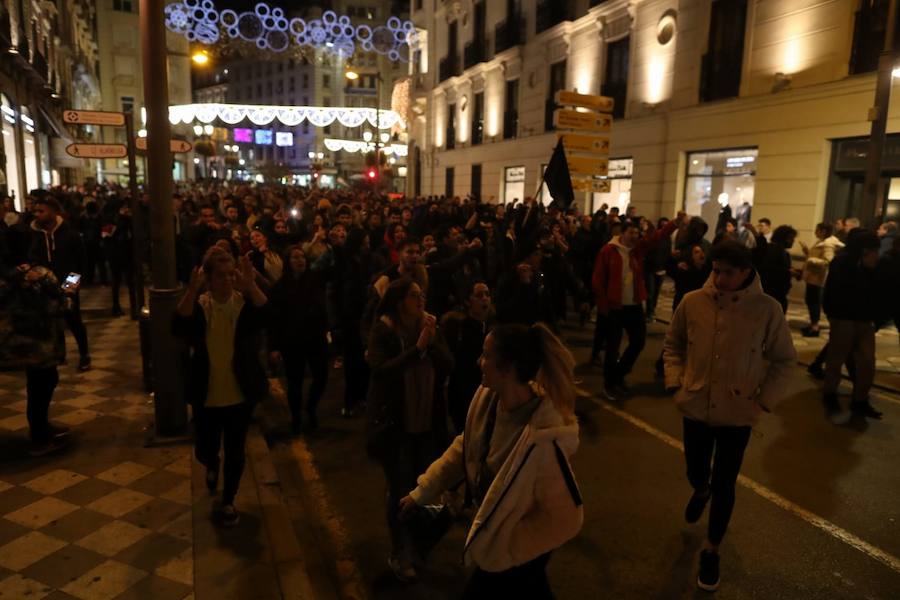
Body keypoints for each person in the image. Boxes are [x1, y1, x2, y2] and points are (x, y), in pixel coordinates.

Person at [397, 323, 583, 598]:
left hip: (513, 554)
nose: (478, 361)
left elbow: (567, 518)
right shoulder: (486, 399)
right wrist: (423, 491)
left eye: (486, 355)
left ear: (507, 369)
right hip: (499, 549)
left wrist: (509, 545)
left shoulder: (544, 440)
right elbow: (465, 446)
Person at [663, 240, 796, 592]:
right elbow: (673, 344)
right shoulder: (693, 302)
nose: (719, 279)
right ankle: (700, 488)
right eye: (716, 271)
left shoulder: (767, 309)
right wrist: (677, 382)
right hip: (695, 405)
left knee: (726, 482)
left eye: (728, 273)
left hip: (739, 411)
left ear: (746, 273)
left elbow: (784, 360)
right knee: (696, 470)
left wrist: (763, 402)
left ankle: (712, 549)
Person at [365, 279, 453, 582]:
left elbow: (448, 363)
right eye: (413, 295)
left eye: (422, 295)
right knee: (399, 489)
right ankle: (400, 550)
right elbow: (380, 371)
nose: (420, 300)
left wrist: (431, 341)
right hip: (396, 423)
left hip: (426, 421)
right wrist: (417, 349)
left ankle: (417, 543)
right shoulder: (385, 329)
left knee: (423, 487)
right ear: (399, 300)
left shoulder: (428, 325)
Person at [173, 247, 269, 527]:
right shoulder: (202, 305)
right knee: (205, 447)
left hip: (239, 393)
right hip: (207, 392)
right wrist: (192, 290)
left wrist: (250, 284)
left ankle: (228, 499)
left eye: (231, 274)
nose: (227, 280)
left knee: (236, 450)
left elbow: (268, 313)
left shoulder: (243, 304)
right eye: (220, 275)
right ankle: (212, 463)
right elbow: (178, 326)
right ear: (209, 278)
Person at [593, 216, 679, 399]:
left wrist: (674, 224)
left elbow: (656, 237)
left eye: (636, 233)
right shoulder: (608, 251)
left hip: (634, 305)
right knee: (612, 347)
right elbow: (598, 280)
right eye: (631, 233)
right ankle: (610, 384)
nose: (634, 236)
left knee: (638, 341)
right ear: (622, 233)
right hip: (614, 306)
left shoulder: (637, 250)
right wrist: (603, 306)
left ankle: (619, 375)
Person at [0, 263, 69, 456]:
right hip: (39, 338)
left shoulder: (9, 274)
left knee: (40, 381)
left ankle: (41, 428)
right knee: (43, 382)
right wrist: (69, 292)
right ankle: (39, 436)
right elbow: (63, 303)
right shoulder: (39, 274)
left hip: (20, 339)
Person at [821, 230, 884, 420]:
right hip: (844, 319)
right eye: (873, 249)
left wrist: (870, 270)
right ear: (863, 248)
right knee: (835, 360)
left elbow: (876, 291)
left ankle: (860, 400)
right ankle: (830, 394)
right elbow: (833, 290)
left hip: (865, 321)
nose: (876, 253)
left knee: (867, 363)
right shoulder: (842, 262)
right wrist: (833, 316)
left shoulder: (871, 266)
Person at [268, 246, 328, 433]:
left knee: (321, 376)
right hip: (292, 341)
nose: (300, 260)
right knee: (295, 381)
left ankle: (310, 407)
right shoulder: (280, 287)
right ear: (288, 262)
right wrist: (274, 346)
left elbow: (322, 309)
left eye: (302, 257)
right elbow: (274, 319)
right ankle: (295, 417)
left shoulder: (315, 281)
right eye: (295, 257)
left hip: (315, 338)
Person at [27, 197, 91, 371]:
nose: (38, 215)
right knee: (53, 321)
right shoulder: (34, 235)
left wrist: (71, 287)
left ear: (54, 212)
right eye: (36, 211)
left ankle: (84, 354)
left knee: (73, 319)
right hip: (45, 284)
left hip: (67, 282)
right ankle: (59, 354)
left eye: (42, 211)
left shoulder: (70, 234)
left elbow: (80, 262)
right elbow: (32, 258)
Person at [442, 280, 495, 434]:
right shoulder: (462, 330)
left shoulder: (488, 327)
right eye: (479, 295)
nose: (485, 298)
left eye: (487, 294)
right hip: (465, 397)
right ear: (467, 301)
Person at [799, 222, 843, 337]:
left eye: (817, 230)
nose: (815, 232)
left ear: (823, 231)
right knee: (811, 301)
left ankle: (815, 327)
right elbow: (817, 257)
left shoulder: (828, 244)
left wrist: (810, 260)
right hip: (814, 276)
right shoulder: (822, 242)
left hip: (818, 278)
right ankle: (813, 324)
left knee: (814, 302)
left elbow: (828, 261)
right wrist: (807, 253)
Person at [753, 224, 799, 313]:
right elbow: (768, 268)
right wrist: (788, 272)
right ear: (783, 238)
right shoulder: (773, 249)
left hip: (779, 294)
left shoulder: (782, 251)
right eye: (791, 238)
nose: (793, 241)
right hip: (772, 294)